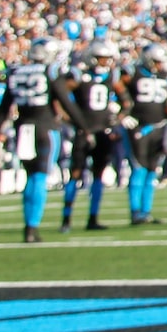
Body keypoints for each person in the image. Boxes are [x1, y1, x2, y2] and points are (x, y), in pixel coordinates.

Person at [0, 35, 66, 243]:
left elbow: (3, 109)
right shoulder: (49, 71)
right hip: (45, 127)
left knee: (29, 176)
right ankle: (33, 225)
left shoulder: (16, 71)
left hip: (23, 129)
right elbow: (66, 102)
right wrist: (84, 126)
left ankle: (28, 224)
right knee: (40, 177)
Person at [56, 39, 120, 232]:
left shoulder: (111, 76)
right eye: (102, 58)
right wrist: (69, 119)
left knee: (99, 175)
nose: (106, 62)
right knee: (75, 174)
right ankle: (66, 219)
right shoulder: (78, 75)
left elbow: (126, 100)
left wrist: (117, 119)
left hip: (102, 132)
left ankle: (93, 217)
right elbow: (59, 96)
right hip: (84, 132)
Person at [120, 43, 167, 224]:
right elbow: (116, 87)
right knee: (139, 168)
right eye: (157, 61)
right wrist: (122, 113)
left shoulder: (162, 76)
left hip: (159, 127)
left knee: (152, 170)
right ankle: (135, 212)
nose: (160, 65)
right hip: (139, 127)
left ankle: (146, 211)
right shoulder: (132, 73)